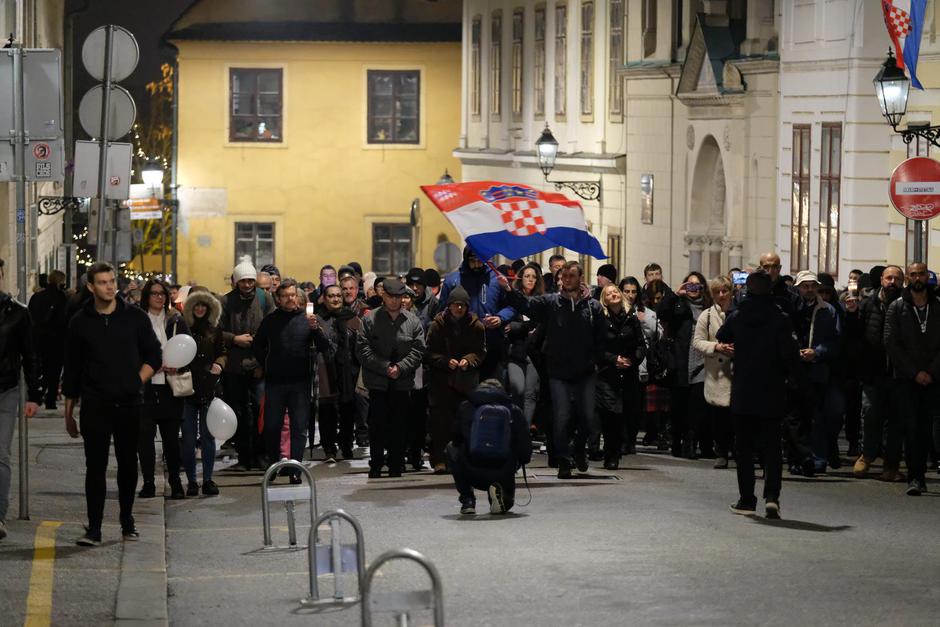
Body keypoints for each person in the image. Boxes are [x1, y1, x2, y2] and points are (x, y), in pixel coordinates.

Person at [63, 262, 163, 545]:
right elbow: (72, 368)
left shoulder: (135, 318)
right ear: (91, 287)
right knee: (95, 466)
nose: (109, 286)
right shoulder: (80, 322)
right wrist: (69, 413)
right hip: (95, 403)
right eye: (103, 282)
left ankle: (127, 520)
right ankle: (94, 528)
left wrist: (136, 381)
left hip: (129, 403)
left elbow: (154, 356)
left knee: (128, 464)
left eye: (111, 281)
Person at [500, 261, 607, 479]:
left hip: (585, 370)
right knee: (561, 417)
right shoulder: (551, 302)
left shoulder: (592, 307)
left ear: (580, 278)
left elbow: (602, 337)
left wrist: (596, 360)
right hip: (558, 371)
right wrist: (509, 290)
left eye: (571, 276)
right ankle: (564, 460)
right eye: (563, 276)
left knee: (587, 418)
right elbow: (527, 305)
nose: (567, 279)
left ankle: (579, 448)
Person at [717, 272, 798, 520]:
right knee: (772, 448)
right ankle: (772, 496)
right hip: (771, 389)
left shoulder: (739, 316)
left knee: (744, 448)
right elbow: (790, 356)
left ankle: (747, 499)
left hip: (744, 389)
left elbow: (722, 336)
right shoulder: (780, 318)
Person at [253, 279, 332, 482]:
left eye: (293, 294)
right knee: (272, 427)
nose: (291, 298)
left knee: (299, 428)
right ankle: (273, 466)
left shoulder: (308, 319)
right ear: (278, 299)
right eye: (286, 295)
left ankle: (296, 469)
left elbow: (325, 346)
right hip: (275, 383)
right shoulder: (271, 321)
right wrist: (267, 364)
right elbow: (257, 345)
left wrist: (315, 329)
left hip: (300, 383)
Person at [356, 279, 426, 478]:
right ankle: (376, 464)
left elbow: (418, 349)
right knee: (377, 425)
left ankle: (396, 464)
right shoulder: (371, 320)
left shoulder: (412, 321)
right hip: (378, 382)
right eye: (391, 297)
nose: (395, 301)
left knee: (399, 425)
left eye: (399, 297)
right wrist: (385, 367)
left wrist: (401, 367)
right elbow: (362, 349)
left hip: (403, 383)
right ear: (384, 296)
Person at [884, 263, 940, 496]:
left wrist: (931, 371)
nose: (918, 278)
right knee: (911, 426)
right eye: (914, 274)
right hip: (906, 379)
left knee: (927, 427)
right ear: (908, 278)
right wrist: (914, 372)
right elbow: (891, 343)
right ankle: (914, 477)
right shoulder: (897, 307)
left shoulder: (938, 306)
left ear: (927, 277)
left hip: (934, 378)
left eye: (922, 274)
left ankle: (922, 474)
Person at [0, 258, 42, 541]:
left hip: (6, 389)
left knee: (0, 455)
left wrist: (35, 396)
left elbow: (30, 356)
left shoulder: (17, 313)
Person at [446, 379, 531, 515]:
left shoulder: (466, 406)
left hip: (471, 469)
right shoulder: (513, 410)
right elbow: (525, 452)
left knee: (451, 448)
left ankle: (468, 500)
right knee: (515, 448)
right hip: (503, 470)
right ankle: (501, 494)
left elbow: (456, 438)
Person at [137, 279, 189, 500]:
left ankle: (175, 482)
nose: (159, 297)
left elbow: (188, 349)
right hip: (146, 390)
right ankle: (149, 482)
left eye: (162, 294)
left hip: (170, 389)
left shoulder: (176, 321)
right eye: (154, 293)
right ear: (146, 296)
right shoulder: (138, 321)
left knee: (171, 440)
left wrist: (178, 365)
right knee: (145, 439)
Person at [220, 259, 274, 471]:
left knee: (262, 413)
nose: (247, 285)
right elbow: (217, 331)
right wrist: (234, 339)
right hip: (234, 367)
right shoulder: (225, 302)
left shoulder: (265, 299)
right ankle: (244, 457)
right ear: (236, 281)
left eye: (251, 280)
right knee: (239, 413)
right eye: (243, 281)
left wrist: (262, 362)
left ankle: (261, 455)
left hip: (259, 366)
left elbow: (272, 330)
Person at [426, 286, 486, 474]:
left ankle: (464, 460)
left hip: (466, 381)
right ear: (449, 306)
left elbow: (481, 352)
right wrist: (445, 362)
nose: (458, 309)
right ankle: (440, 460)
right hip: (442, 380)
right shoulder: (437, 325)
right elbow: (428, 353)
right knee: (440, 423)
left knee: (465, 421)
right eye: (455, 305)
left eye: (462, 305)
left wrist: (468, 361)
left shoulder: (476, 326)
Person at [854, 265, 905, 481]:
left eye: (897, 279)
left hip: (899, 373)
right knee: (870, 415)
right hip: (873, 372)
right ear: (882, 280)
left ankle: (891, 464)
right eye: (889, 278)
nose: (892, 282)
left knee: (895, 420)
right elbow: (857, 336)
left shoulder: (906, 305)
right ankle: (867, 455)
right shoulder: (868, 304)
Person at [438, 247, 515, 380]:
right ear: (466, 260)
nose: (477, 265)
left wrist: (500, 318)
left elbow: (512, 306)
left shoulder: (497, 279)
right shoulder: (453, 281)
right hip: (462, 344)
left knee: (491, 387)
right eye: (473, 261)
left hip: (491, 341)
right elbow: (441, 311)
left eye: (480, 261)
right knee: (464, 388)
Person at [657, 271, 712, 459]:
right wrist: (674, 295)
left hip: (701, 363)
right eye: (689, 285)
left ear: (703, 288)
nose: (693, 289)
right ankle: (676, 441)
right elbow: (661, 313)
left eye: (697, 285)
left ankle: (690, 443)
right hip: (680, 361)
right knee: (678, 407)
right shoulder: (678, 304)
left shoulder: (708, 308)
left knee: (696, 408)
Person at [791, 271, 840, 474]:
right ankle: (797, 458)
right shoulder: (792, 309)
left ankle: (818, 458)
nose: (809, 289)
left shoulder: (828, 310)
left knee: (817, 416)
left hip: (818, 370)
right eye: (805, 285)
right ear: (798, 288)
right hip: (795, 369)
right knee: (795, 417)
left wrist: (817, 352)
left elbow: (836, 340)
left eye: (812, 285)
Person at [179, 288, 226, 496]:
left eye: (203, 305)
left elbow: (223, 352)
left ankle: (207, 479)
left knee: (208, 438)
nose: (199, 308)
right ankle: (191, 481)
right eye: (196, 305)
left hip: (209, 387)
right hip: (186, 389)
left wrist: (219, 364)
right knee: (188, 439)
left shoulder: (215, 329)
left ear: (209, 308)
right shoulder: (182, 327)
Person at [596, 284, 646, 469]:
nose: (614, 294)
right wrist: (613, 359)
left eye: (615, 291)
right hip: (607, 374)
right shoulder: (601, 320)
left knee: (625, 414)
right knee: (611, 415)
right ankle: (611, 454)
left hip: (628, 372)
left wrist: (633, 360)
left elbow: (641, 345)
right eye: (609, 293)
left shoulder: (631, 318)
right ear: (605, 300)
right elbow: (597, 348)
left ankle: (617, 451)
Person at [692, 276, 735, 469]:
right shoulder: (707, 315)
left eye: (724, 291)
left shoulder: (739, 312)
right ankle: (722, 452)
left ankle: (740, 450)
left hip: (737, 370)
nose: (721, 295)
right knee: (719, 416)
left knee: (738, 415)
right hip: (716, 371)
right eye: (717, 291)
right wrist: (716, 347)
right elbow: (698, 341)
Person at [316, 284, 359, 462]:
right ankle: (329, 448)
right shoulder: (318, 319)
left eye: (338, 296)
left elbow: (361, 343)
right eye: (331, 296)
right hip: (326, 368)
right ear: (324, 299)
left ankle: (346, 443)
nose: (335, 299)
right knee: (327, 410)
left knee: (348, 409)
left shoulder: (351, 318)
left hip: (348, 369)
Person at [505, 263, 544, 428]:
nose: (530, 279)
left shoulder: (540, 301)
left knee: (530, 394)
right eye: (527, 276)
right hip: (516, 351)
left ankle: (524, 431)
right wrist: (521, 328)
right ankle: (514, 427)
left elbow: (538, 323)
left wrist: (519, 327)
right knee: (517, 390)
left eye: (534, 277)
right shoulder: (514, 298)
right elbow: (508, 325)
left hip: (533, 353)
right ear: (521, 278)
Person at [28, 269, 68, 410]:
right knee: (54, 371)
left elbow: (30, 316)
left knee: (40, 369)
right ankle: (50, 400)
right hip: (57, 340)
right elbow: (64, 319)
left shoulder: (37, 297)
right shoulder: (61, 297)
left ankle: (36, 395)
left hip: (38, 339)